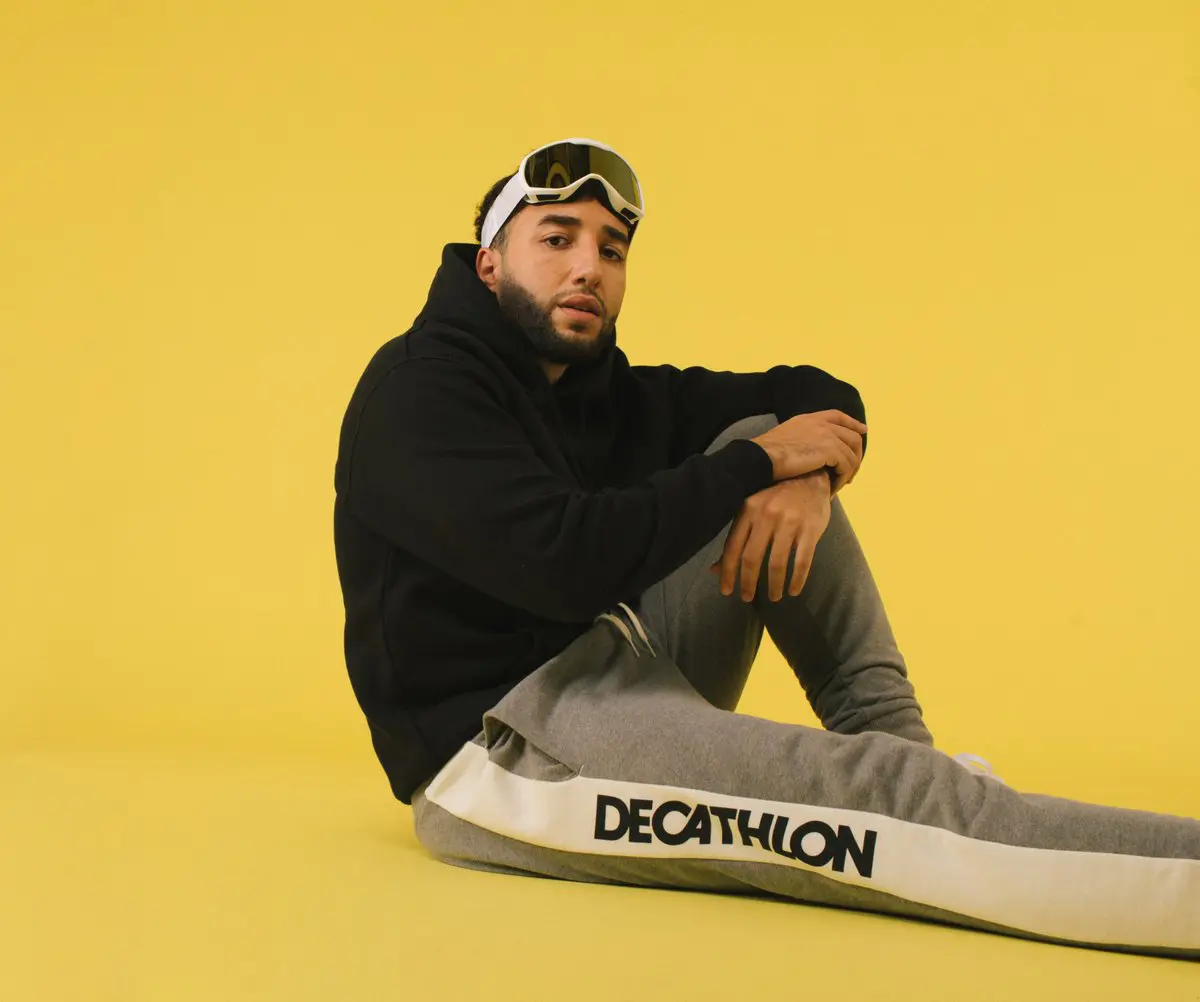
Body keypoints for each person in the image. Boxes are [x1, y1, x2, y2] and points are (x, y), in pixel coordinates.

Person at [332, 138, 1198, 960]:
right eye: (556, 239)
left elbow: (811, 396)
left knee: (759, 437)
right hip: (506, 758)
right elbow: (563, 565)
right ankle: (966, 818)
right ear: (489, 262)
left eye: (612, 249)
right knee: (873, 795)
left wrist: (802, 474)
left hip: (623, 677)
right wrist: (760, 462)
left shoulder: (604, 393)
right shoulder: (418, 392)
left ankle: (905, 757)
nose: (589, 267)